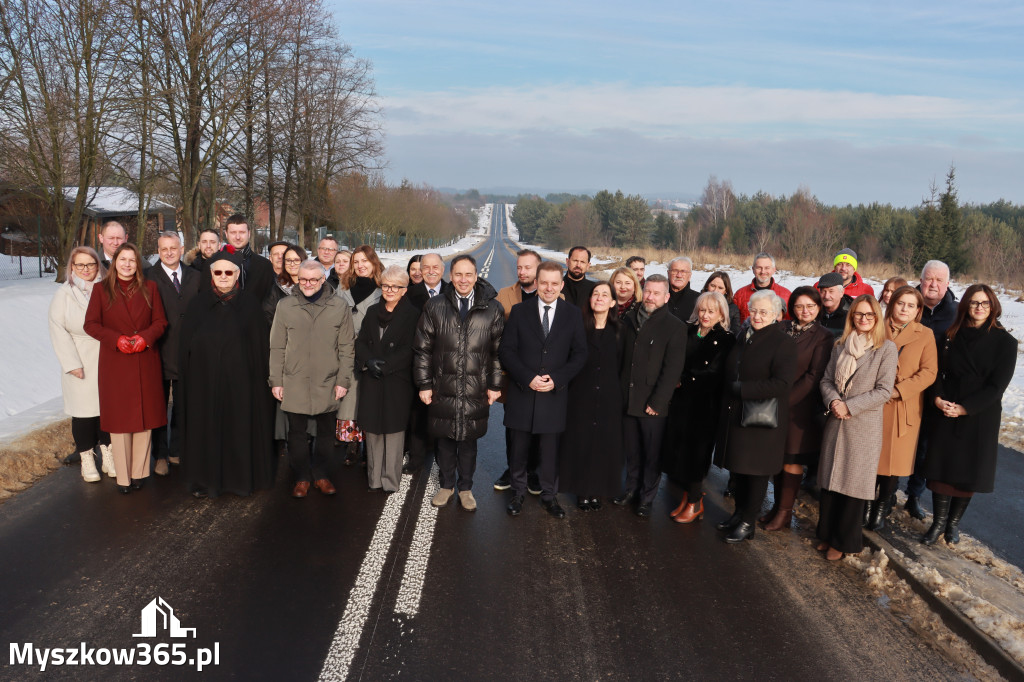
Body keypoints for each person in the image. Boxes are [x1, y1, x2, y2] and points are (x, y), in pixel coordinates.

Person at [920, 284, 1017, 546]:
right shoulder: (951, 335)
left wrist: (965, 408)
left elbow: (997, 387)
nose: (979, 308)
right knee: (941, 470)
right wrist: (938, 399)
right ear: (965, 305)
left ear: (993, 306)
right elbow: (936, 371)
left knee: (967, 472)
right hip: (946, 407)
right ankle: (938, 522)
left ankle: (952, 525)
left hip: (979, 414)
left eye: (984, 303)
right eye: (974, 303)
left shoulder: (1006, 342)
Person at [179, 250, 275, 498]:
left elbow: (259, 349)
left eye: (228, 272)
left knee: (239, 429)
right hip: (204, 384)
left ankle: (239, 480)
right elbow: (186, 348)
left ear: (237, 275)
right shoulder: (197, 305)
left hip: (242, 385)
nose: (223, 277)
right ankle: (205, 479)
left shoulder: (250, 306)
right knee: (206, 429)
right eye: (218, 272)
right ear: (211, 274)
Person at [413, 254, 504, 511]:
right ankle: (446, 485)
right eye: (458, 274)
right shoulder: (435, 306)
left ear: (476, 277)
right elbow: (422, 350)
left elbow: (498, 352)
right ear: (450, 277)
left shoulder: (492, 309)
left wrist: (495, 385)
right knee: (444, 439)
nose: (463, 280)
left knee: (468, 441)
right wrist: (424, 384)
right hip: (443, 386)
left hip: (476, 387)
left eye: (468, 274)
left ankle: (465, 488)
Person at [500, 261, 587, 518]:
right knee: (518, 450)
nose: (549, 288)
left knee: (550, 452)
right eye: (544, 282)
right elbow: (507, 350)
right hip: (523, 392)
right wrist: (527, 378)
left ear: (561, 285)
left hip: (554, 395)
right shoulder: (518, 311)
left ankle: (550, 497)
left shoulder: (572, 314)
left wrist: (557, 379)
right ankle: (517, 493)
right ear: (536, 283)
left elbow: (580, 353)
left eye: (554, 283)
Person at [816, 296, 898, 560]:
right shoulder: (840, 346)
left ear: (877, 318)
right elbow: (827, 380)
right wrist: (834, 401)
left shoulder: (886, 349)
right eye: (858, 315)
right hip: (836, 422)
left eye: (869, 315)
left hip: (862, 425)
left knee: (852, 488)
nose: (863, 319)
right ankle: (827, 534)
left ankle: (842, 542)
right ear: (851, 317)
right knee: (830, 484)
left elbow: (884, 390)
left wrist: (849, 406)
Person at [83, 243, 167, 493]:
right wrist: (116, 340)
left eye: (132, 260)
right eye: (123, 260)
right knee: (120, 422)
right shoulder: (101, 289)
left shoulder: (150, 288)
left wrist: (145, 337)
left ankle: (139, 472)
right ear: (115, 262)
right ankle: (123, 477)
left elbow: (161, 321)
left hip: (144, 359)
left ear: (137, 264)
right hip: (116, 361)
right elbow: (91, 324)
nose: (128, 264)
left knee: (144, 420)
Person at [715, 290, 797, 543]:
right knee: (739, 468)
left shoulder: (783, 342)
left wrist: (744, 389)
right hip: (739, 414)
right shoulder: (745, 335)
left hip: (763, 418)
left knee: (756, 473)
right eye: (754, 310)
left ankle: (748, 522)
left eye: (764, 312)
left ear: (775, 314)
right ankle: (739, 513)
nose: (757, 316)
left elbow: (782, 383)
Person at [270, 259, 355, 498]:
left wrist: (342, 380)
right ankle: (302, 477)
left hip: (328, 381)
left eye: (313, 279)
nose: (308, 284)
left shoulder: (339, 306)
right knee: (296, 433)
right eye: (303, 279)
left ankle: (321, 474)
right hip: (294, 380)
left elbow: (347, 348)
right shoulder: (285, 306)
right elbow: (276, 346)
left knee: (326, 432)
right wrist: (276, 380)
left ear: (322, 280)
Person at [759, 286, 834, 531]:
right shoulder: (781, 328)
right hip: (773, 401)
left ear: (818, 308)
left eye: (811, 306)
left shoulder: (823, 336)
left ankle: (784, 513)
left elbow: (814, 375)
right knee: (777, 458)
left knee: (792, 460)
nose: (805, 311)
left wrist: (783, 399)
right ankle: (776, 507)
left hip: (799, 407)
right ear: (791, 307)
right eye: (800, 306)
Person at [614, 274, 687, 518]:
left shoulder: (675, 326)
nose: (650, 297)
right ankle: (631, 489)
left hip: (652, 404)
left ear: (666, 297)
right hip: (627, 398)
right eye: (647, 291)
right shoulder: (629, 318)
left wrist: (657, 402)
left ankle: (647, 496)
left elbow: (672, 369)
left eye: (656, 293)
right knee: (631, 451)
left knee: (651, 454)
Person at [868, 286, 937, 530]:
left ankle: (880, 508)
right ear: (891, 304)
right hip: (872, 401)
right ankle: (865, 504)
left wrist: (900, 390)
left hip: (901, 405)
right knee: (869, 457)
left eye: (911, 305)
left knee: (892, 463)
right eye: (900, 303)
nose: (904, 309)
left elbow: (929, 372)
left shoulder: (925, 334)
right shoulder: (876, 326)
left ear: (918, 310)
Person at [663, 291, 735, 523]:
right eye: (702, 310)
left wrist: (682, 378)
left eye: (711, 311)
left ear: (721, 313)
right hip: (681, 402)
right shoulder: (688, 330)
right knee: (680, 451)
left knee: (696, 454)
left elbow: (716, 373)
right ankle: (689, 497)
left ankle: (695, 502)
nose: (705, 315)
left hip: (705, 405)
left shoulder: (725, 338)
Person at [49, 247, 114, 482]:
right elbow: (57, 330)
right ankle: (87, 457)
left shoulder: (108, 289)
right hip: (79, 358)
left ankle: (108, 452)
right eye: (80, 265)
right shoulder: (64, 294)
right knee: (83, 413)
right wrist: (71, 363)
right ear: (72, 267)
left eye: (91, 265)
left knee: (107, 410)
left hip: (106, 356)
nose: (85, 270)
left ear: (98, 266)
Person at [560, 282, 625, 511]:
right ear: (589, 300)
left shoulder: (620, 330)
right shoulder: (578, 327)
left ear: (613, 302)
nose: (599, 297)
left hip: (609, 395)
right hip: (580, 393)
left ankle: (597, 490)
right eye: (595, 294)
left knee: (603, 444)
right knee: (581, 442)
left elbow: (623, 364)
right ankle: (581, 491)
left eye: (605, 294)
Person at [356, 266, 419, 494]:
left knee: (393, 431)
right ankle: (374, 478)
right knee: (372, 430)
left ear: (404, 290)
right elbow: (361, 342)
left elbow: (410, 349)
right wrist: (368, 361)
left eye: (395, 286)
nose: (389, 290)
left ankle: (390, 480)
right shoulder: (373, 311)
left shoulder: (412, 315)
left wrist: (386, 366)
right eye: (385, 285)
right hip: (372, 377)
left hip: (396, 380)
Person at [904, 260, 958, 519]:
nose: (933, 284)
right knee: (898, 439)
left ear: (947, 283)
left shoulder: (957, 313)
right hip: (906, 386)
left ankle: (914, 496)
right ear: (921, 279)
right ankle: (885, 491)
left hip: (937, 391)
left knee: (925, 447)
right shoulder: (908, 304)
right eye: (928, 278)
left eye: (939, 280)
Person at [145, 231, 200, 475]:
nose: (169, 252)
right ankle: (160, 455)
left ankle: (177, 450)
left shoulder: (195, 277)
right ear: (158, 251)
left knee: (182, 406)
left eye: (173, 247)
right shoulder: (148, 278)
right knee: (158, 408)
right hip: (157, 353)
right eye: (163, 248)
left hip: (187, 353)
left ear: (181, 249)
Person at [494, 249, 543, 493]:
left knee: (537, 426)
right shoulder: (504, 294)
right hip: (512, 373)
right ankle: (513, 469)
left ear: (538, 269)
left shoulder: (556, 296)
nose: (522, 272)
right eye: (519, 267)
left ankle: (533, 471)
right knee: (513, 427)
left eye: (527, 267)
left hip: (542, 375)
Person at [336, 245, 384, 463]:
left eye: (365, 261)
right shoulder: (343, 287)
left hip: (370, 353)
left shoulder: (382, 289)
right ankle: (351, 444)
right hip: (345, 352)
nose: (360, 265)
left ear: (374, 263)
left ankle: (369, 446)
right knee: (349, 400)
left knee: (369, 399)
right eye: (356, 262)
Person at [197, 214, 274, 302]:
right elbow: (205, 297)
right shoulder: (211, 263)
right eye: (233, 232)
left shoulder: (264, 265)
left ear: (249, 233)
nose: (237, 237)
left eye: (242, 232)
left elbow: (269, 300)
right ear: (226, 234)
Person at [733, 252, 792, 322]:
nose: (763, 271)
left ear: (774, 270)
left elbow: (790, 323)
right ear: (753, 269)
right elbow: (735, 324)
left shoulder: (786, 295)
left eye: (767, 268)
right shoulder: (740, 295)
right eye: (759, 268)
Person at [264, 244, 305, 327]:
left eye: (296, 260)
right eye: (288, 260)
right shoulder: (276, 288)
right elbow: (268, 315)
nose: (292, 264)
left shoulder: (314, 286)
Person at [665, 256, 699, 322]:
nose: (679, 275)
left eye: (683, 272)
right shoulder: (657, 296)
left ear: (690, 275)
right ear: (668, 273)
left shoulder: (698, 299)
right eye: (675, 271)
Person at [817, 272, 851, 337]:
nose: (826, 296)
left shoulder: (851, 315)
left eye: (831, 291)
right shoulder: (813, 311)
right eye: (823, 291)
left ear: (841, 292)